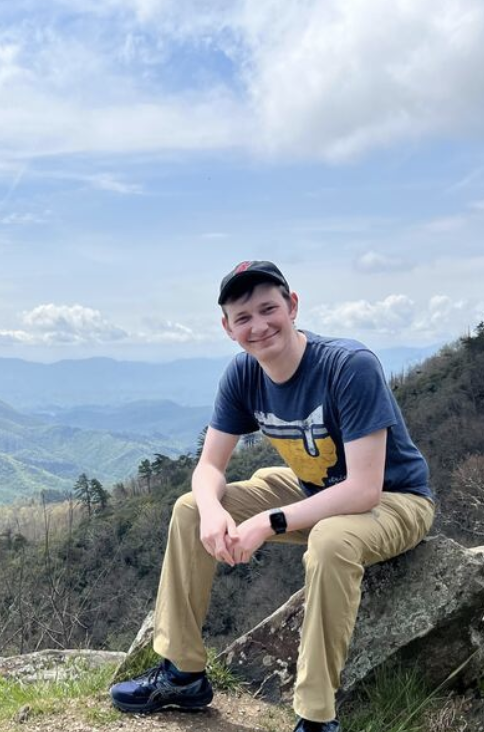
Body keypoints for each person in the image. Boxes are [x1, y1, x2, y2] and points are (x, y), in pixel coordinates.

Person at [110, 260, 435, 732]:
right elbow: (209, 467)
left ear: (292, 306)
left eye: (268, 309)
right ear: (228, 328)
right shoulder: (244, 374)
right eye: (243, 318)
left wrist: (269, 521)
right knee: (190, 508)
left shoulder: (348, 366)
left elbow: (364, 489)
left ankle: (316, 717)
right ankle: (182, 674)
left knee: (330, 540)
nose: (259, 326)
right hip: (313, 489)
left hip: (394, 499)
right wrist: (212, 512)